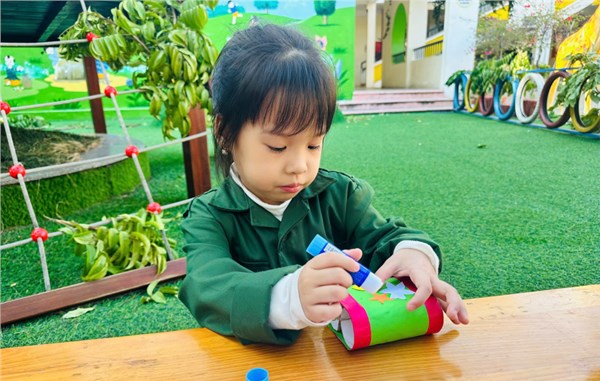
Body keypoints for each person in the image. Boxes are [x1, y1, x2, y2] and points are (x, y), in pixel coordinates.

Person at [179, 24, 469, 345]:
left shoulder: (339, 196)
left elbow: (388, 236)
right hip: (249, 369)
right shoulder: (208, 216)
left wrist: (415, 255)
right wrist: (289, 296)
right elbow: (206, 286)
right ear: (224, 133)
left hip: (341, 364)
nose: (299, 165)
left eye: (313, 144)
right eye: (277, 147)